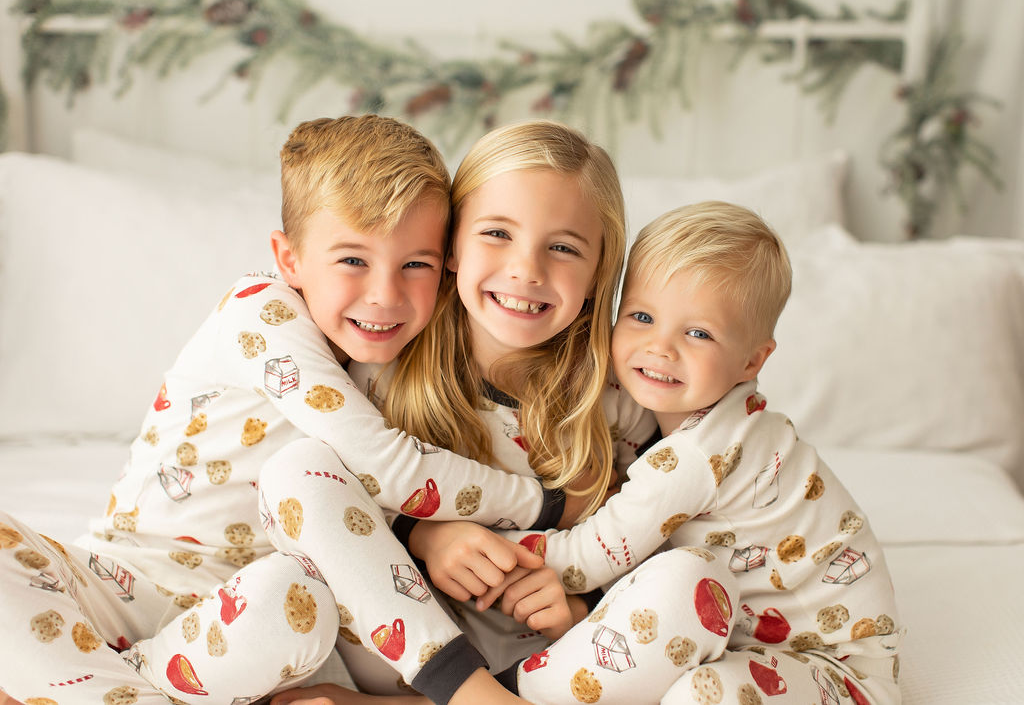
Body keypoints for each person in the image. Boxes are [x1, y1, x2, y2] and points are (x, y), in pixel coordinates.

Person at [0, 115, 578, 705]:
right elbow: (388, 468)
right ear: (290, 259)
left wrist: (428, 532)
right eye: (353, 260)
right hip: (124, 580)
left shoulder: (405, 365)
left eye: (416, 264)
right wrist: (549, 503)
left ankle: (68, 684)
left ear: (447, 263)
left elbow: (365, 516)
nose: (384, 294)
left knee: (301, 596)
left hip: (256, 623)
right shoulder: (260, 311)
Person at [271, 120, 660, 704]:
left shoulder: (618, 398)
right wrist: (423, 534)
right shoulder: (387, 364)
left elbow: (662, 533)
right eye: (498, 233)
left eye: (562, 247)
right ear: (452, 247)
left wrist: (583, 605)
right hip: (393, 651)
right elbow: (344, 512)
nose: (527, 270)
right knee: (295, 470)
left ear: (599, 270)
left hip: (542, 662)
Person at [478, 201, 903, 703]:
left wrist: (482, 541)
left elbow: (588, 558)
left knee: (702, 694)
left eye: (698, 333)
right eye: (641, 316)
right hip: (736, 644)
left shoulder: (707, 450)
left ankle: (502, 694)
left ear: (752, 359)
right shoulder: (665, 415)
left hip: (837, 671)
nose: (660, 347)